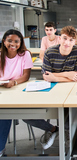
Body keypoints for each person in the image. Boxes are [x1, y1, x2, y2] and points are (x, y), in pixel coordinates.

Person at [23, 26, 77, 150]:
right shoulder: (50, 52)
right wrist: (67, 74)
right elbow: (46, 77)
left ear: (75, 42)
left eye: (71, 40)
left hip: (69, 89)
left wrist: (55, 77)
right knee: (25, 113)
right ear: (59, 38)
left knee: (69, 108)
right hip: (49, 88)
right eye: (65, 38)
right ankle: (53, 129)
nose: (67, 42)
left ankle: (66, 131)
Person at [0, 29, 33, 157]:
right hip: (3, 90)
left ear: (20, 42)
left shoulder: (25, 54)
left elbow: (26, 76)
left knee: (4, 113)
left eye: (16, 41)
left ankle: (1, 148)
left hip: (18, 89)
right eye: (9, 41)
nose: (12, 44)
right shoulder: (0, 55)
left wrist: (13, 82)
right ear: (4, 41)